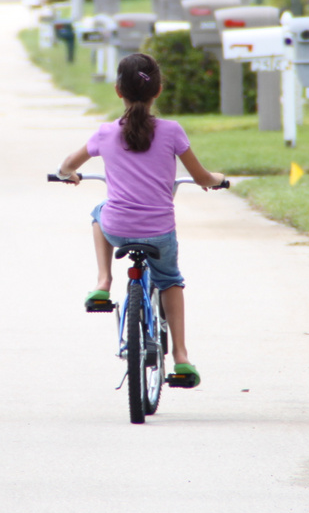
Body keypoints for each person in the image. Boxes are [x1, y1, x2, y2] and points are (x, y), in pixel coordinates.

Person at [55, 52, 225, 388]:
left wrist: (69, 174)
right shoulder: (172, 131)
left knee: (98, 212)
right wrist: (216, 179)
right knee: (170, 280)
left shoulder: (105, 134)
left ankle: (103, 282)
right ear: (158, 91)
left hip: (118, 229)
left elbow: (66, 165)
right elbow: (202, 177)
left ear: (119, 91)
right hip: (160, 233)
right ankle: (181, 358)